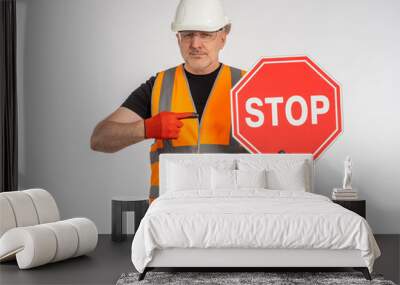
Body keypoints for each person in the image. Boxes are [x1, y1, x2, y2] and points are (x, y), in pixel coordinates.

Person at [90, 0, 247, 204]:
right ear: (178, 38)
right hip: (169, 216)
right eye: (188, 34)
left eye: (206, 35)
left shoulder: (248, 86)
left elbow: (282, 151)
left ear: (223, 38)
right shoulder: (158, 86)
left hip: (231, 213)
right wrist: (146, 128)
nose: (195, 44)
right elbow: (100, 138)